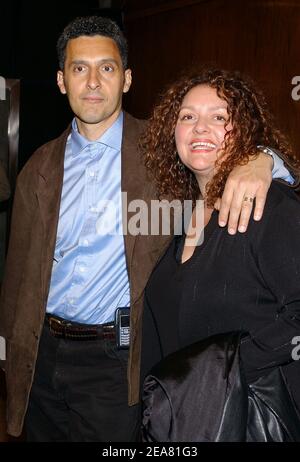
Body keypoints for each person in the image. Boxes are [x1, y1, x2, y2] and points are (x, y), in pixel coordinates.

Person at [0, 17, 297, 442]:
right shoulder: (38, 167)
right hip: (42, 356)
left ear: (127, 79)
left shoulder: (161, 154)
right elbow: (17, 275)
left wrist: (265, 159)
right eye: (79, 68)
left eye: (107, 67)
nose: (93, 82)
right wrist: (10, 354)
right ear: (62, 81)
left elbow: (220, 152)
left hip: (117, 358)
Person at [140, 69, 300, 441]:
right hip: (186, 420)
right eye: (188, 117)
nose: (199, 128)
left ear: (244, 130)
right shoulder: (176, 214)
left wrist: (221, 369)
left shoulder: (268, 204)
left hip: (250, 420)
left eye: (219, 117)